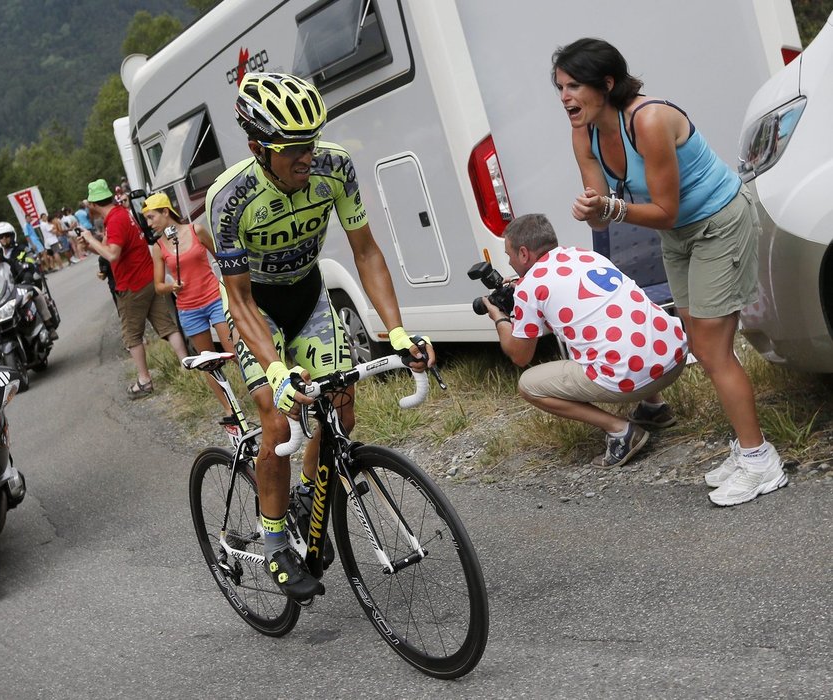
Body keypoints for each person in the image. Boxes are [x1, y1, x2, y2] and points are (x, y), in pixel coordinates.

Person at [205, 72, 434, 600]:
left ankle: (307, 497)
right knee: (277, 424)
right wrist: (279, 373)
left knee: (342, 411)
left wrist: (395, 331)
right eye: (292, 149)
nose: (306, 157)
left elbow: (367, 251)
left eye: (310, 143)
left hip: (307, 295)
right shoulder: (231, 199)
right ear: (257, 148)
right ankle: (275, 543)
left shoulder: (335, 167)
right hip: (257, 308)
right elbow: (237, 300)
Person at [552, 38, 788, 506]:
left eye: (574, 85)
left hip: (718, 223)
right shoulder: (585, 134)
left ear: (607, 83)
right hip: (678, 235)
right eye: (559, 87)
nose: (564, 97)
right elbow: (605, 214)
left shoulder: (651, 119)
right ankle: (747, 450)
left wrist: (611, 208)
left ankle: (761, 462)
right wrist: (590, 210)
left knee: (715, 351)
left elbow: (662, 208)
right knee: (699, 342)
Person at [481, 213, 687, 467]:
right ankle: (654, 408)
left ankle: (621, 432)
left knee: (528, 385)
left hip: (632, 380)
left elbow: (520, 356)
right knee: (619, 332)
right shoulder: (585, 255)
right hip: (675, 357)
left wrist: (499, 317)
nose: (510, 262)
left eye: (509, 255)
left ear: (524, 254)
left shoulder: (530, 286)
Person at [80, 179, 188, 398]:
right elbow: (112, 252)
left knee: (132, 337)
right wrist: (91, 246)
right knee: (167, 326)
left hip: (131, 285)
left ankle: (144, 380)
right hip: (148, 277)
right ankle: (187, 365)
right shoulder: (122, 213)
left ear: (93, 204)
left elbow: (112, 254)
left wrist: (91, 238)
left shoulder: (115, 220)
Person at [143, 191, 237, 411]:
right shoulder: (159, 248)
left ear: (166, 212)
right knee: (208, 364)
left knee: (233, 351)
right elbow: (158, 286)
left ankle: (260, 397)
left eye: (151, 217)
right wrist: (171, 286)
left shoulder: (197, 230)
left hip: (214, 299)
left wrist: (232, 289)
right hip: (189, 310)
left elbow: (221, 259)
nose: (149, 224)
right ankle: (229, 409)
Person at [0, 222, 59, 338]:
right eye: (0, 237)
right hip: (3, 291)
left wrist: (28, 275)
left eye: (6, 236)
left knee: (37, 293)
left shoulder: (22, 249)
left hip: (23, 284)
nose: (4, 239)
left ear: (12, 236)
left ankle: (48, 325)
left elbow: (31, 263)